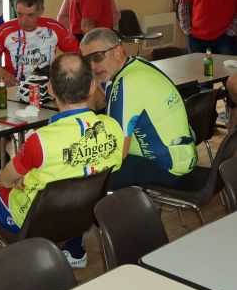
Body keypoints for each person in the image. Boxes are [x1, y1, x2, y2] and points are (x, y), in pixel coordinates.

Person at [0, 53, 124, 267]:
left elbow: (4, 180)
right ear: (91, 86)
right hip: (81, 216)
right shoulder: (113, 127)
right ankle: (75, 251)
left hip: (30, 221)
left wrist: (25, 176)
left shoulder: (41, 141)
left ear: (50, 89)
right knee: (79, 178)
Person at [0, 0, 79, 182]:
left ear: (41, 11)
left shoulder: (54, 28)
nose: (23, 20)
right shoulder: (6, 30)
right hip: (14, 93)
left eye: (30, 15)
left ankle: (49, 169)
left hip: (47, 93)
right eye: (19, 14)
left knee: (51, 133)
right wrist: (0, 72)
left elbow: (77, 53)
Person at [80, 28, 197, 190]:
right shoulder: (138, 64)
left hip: (167, 168)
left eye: (97, 57)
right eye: (86, 61)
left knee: (87, 179)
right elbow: (102, 94)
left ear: (117, 52)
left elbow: (118, 152)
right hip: (183, 156)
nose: (92, 66)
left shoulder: (126, 83)